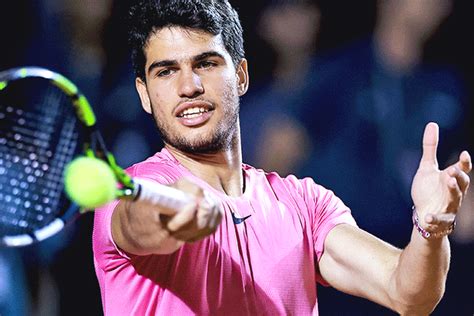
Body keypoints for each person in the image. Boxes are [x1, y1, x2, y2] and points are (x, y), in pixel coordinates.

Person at [92, 0, 472, 315]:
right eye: (165, 72)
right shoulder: (129, 193)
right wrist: (174, 213)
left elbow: (408, 293)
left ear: (240, 75)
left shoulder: (305, 204)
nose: (188, 86)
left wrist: (431, 227)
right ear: (144, 94)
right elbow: (140, 220)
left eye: (206, 63)